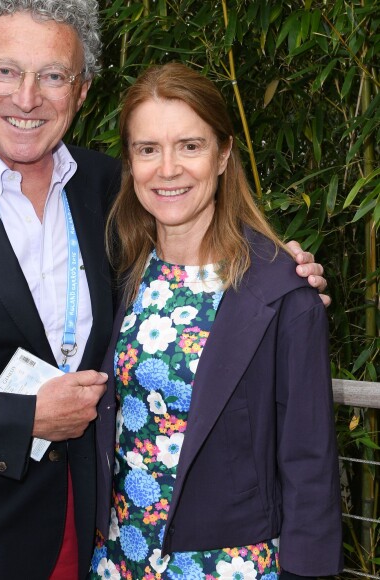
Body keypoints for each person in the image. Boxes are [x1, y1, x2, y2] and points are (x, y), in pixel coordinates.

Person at [0, 1, 328, 578]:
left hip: (101, 533)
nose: (27, 97)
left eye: (53, 75)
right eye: (5, 70)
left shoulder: (113, 190)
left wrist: (280, 274)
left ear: (82, 89)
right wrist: (22, 420)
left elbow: (195, 245)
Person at [90, 63, 343, 580]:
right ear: (130, 161)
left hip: (226, 565)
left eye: (190, 145)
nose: (167, 169)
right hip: (117, 558)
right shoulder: (119, 271)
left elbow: (310, 460)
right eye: (147, 149)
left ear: (224, 153)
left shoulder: (282, 291)